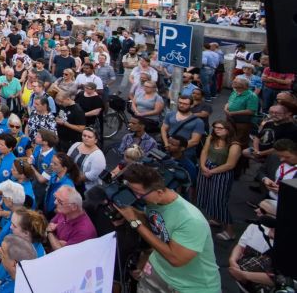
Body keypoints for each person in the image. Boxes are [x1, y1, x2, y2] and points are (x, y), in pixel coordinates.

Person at [114, 164, 221, 293]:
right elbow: (155, 228)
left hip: (190, 286)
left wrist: (135, 222)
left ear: (159, 192)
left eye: (139, 194)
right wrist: (135, 213)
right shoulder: (153, 202)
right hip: (158, 272)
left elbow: (175, 259)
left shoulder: (191, 220)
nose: (136, 197)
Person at [45, 186, 97, 250]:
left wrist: (50, 232)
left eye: (60, 201)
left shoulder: (84, 231)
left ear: (74, 207)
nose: (55, 202)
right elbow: (51, 223)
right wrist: (56, 242)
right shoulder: (65, 212)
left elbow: (61, 252)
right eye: (55, 198)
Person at [225, 77, 259, 145]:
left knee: (240, 139)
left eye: (236, 82)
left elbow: (251, 111)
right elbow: (229, 102)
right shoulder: (234, 92)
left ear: (244, 85)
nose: (233, 82)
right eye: (234, 81)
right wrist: (225, 108)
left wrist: (233, 113)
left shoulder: (252, 96)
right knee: (229, 135)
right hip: (230, 118)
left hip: (242, 121)